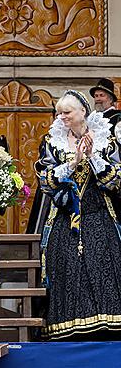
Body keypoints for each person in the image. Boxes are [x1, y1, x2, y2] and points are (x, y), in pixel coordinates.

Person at [36, 90, 121, 340]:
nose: (61, 117)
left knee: (105, 259)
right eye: (59, 112)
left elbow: (113, 181)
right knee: (66, 263)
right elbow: (46, 183)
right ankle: (68, 326)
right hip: (64, 218)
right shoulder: (53, 142)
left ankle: (108, 325)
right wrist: (72, 164)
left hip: (99, 214)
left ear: (82, 112)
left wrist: (93, 158)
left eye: (67, 112)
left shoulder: (106, 139)